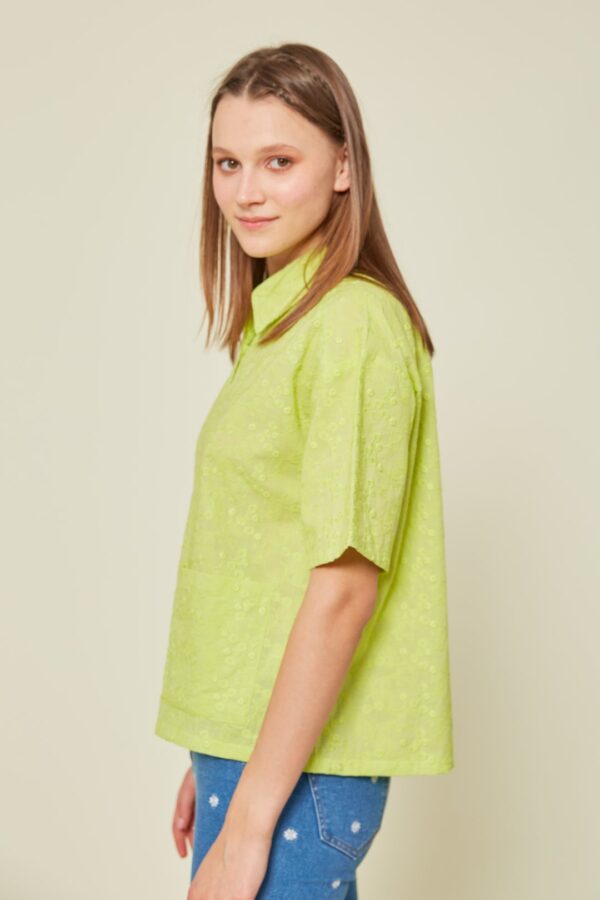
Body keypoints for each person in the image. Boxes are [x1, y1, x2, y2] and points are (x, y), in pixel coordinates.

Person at [154, 42, 454, 899]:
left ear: (344, 167)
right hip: (260, 755)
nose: (246, 191)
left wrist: (252, 815)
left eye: (279, 161)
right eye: (228, 163)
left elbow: (345, 586)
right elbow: (265, 565)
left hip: (300, 776)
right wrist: (219, 753)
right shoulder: (282, 323)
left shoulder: (353, 326)